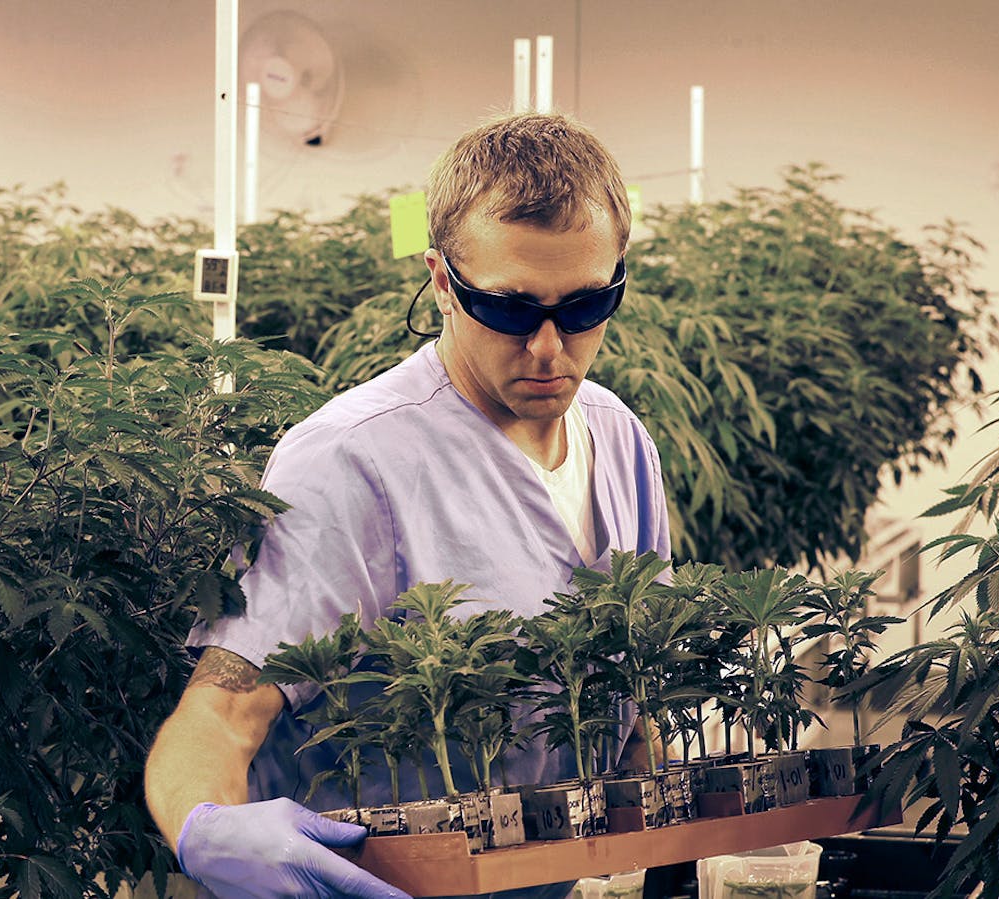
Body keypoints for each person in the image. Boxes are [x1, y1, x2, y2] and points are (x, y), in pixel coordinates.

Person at [143, 112, 672, 898]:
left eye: (588, 305)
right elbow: (219, 713)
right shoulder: (351, 461)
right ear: (440, 280)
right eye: (510, 309)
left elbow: (630, 711)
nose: (550, 348)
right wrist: (205, 826)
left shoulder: (620, 440)